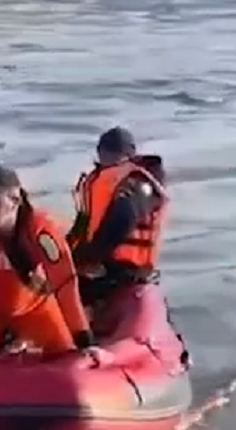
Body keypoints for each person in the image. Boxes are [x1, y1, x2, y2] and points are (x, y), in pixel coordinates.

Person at [0, 166, 107, 362]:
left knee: (67, 354)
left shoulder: (40, 231)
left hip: (33, 308)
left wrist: (85, 341)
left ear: (14, 201)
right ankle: (4, 341)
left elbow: (64, 283)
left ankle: (18, 340)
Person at [65, 126, 170, 313]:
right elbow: (83, 224)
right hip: (104, 265)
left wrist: (92, 258)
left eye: (108, 153)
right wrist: (67, 255)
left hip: (125, 271)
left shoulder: (137, 182)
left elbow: (124, 219)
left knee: (63, 294)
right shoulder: (103, 182)